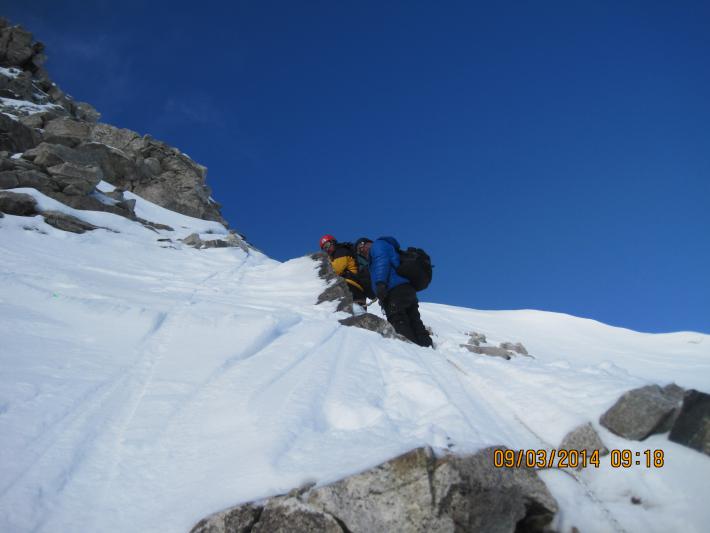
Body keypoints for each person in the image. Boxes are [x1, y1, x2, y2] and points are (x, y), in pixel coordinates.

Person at [359, 236, 433, 347]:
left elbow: (382, 261)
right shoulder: (387, 247)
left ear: (368, 243)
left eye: (361, 246)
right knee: (414, 321)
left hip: (394, 290)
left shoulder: (377, 246)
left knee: (398, 321)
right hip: (405, 288)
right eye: (359, 251)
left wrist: (380, 283)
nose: (361, 250)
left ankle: (412, 352)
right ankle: (428, 350)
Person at [319, 234, 367, 308]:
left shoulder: (340, 252)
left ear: (333, 242)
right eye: (324, 248)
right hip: (356, 287)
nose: (327, 249)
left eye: (328, 245)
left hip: (351, 285)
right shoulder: (337, 253)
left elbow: (337, 270)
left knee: (354, 312)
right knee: (359, 312)